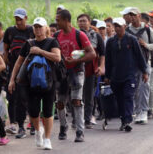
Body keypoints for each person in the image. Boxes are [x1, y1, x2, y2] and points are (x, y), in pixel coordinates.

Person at [8, 17, 61, 150]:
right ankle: (38, 131)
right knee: (33, 110)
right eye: (36, 27)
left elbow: (57, 57)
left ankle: (47, 139)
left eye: (40, 27)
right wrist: (11, 80)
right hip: (30, 82)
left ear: (45, 28)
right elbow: (18, 63)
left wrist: (40, 52)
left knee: (48, 111)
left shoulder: (52, 42)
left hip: (49, 81)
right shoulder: (28, 43)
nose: (38, 29)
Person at [54, 9, 96, 142]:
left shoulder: (79, 35)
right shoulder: (56, 36)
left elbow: (92, 54)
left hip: (76, 71)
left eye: (58, 20)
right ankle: (63, 127)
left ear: (66, 20)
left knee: (76, 101)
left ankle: (79, 131)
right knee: (60, 102)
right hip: (61, 73)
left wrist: (76, 60)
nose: (56, 22)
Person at [105, 18, 148, 132]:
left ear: (124, 26)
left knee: (128, 96)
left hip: (130, 75)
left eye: (119, 25)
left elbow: (139, 56)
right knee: (119, 99)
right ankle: (123, 121)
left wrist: (144, 71)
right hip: (115, 76)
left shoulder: (131, 40)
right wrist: (107, 76)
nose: (117, 28)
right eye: (115, 26)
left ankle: (128, 120)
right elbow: (108, 60)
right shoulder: (110, 42)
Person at [124, 7, 153, 124]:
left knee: (145, 87)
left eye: (134, 15)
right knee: (135, 88)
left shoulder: (148, 30)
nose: (132, 17)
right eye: (130, 15)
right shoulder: (127, 31)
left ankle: (144, 111)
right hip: (131, 64)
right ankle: (137, 111)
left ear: (139, 16)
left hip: (145, 62)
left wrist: (145, 45)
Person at [3, 8, 34, 138]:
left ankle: (33, 124)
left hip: (31, 69)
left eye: (20, 19)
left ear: (26, 18)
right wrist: (7, 67)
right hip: (15, 69)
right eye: (16, 19)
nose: (18, 21)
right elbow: (6, 50)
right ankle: (20, 125)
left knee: (32, 97)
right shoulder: (10, 31)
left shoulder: (31, 30)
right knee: (16, 97)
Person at [77, 14, 105, 129]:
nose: (82, 23)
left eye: (84, 21)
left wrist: (101, 67)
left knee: (89, 95)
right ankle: (77, 119)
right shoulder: (75, 35)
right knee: (77, 95)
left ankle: (87, 119)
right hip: (77, 69)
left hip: (91, 69)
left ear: (89, 22)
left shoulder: (96, 36)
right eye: (80, 21)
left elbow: (102, 53)